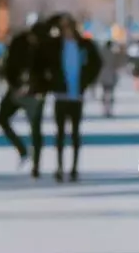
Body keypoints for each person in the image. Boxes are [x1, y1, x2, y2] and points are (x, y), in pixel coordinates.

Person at [39, 14, 101, 182]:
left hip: (77, 95)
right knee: (59, 132)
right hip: (61, 94)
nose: (66, 30)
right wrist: (51, 82)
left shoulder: (84, 45)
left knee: (75, 132)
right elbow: (41, 57)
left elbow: (96, 63)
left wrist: (86, 81)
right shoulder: (54, 46)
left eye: (68, 26)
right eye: (62, 27)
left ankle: (74, 168)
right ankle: (59, 167)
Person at [0, 14, 46, 174]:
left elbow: (48, 70)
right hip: (16, 90)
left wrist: (40, 88)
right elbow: (9, 64)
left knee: (35, 128)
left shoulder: (45, 45)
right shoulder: (19, 42)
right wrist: (14, 85)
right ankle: (22, 149)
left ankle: (36, 166)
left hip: (35, 93)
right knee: (1, 118)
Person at [98, 39, 125, 117]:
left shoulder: (101, 53)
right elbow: (119, 63)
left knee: (105, 92)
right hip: (111, 76)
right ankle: (109, 109)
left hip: (103, 76)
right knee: (110, 93)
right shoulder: (113, 53)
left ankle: (105, 109)